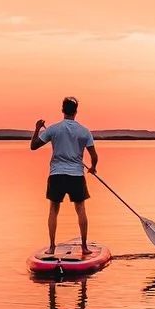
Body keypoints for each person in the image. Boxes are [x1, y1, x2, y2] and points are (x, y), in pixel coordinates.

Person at [30, 96, 98, 256]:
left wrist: (37, 128)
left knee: (54, 209)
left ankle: (52, 247)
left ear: (63, 110)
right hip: (76, 175)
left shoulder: (53, 129)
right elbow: (94, 156)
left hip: (57, 175)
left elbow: (33, 146)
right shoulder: (84, 131)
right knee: (80, 208)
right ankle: (84, 247)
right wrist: (93, 168)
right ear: (76, 111)